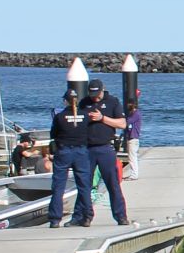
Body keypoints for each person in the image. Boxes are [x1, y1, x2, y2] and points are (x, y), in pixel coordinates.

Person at [80, 79, 129, 224]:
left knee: (112, 183)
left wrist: (102, 118)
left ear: (102, 90)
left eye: (97, 93)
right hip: (87, 148)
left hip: (105, 147)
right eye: (92, 93)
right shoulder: (84, 103)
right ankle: (84, 216)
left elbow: (122, 124)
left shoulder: (113, 102)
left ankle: (121, 216)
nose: (94, 97)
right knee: (84, 184)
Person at [47, 91, 92, 227]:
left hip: (64, 151)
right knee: (84, 186)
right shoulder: (85, 116)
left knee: (58, 186)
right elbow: (88, 131)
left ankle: (55, 219)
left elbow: (53, 134)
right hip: (81, 151)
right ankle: (87, 215)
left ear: (65, 101)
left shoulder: (59, 117)